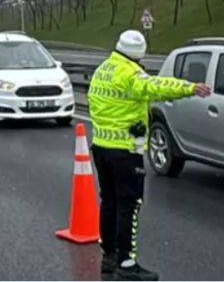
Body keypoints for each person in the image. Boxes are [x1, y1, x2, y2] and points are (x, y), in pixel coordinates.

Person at [88, 30, 209, 281]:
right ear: (139, 55)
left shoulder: (103, 70)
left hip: (101, 146)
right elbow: (156, 86)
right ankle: (126, 261)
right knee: (129, 206)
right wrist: (190, 87)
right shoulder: (131, 74)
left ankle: (109, 256)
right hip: (125, 151)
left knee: (109, 202)